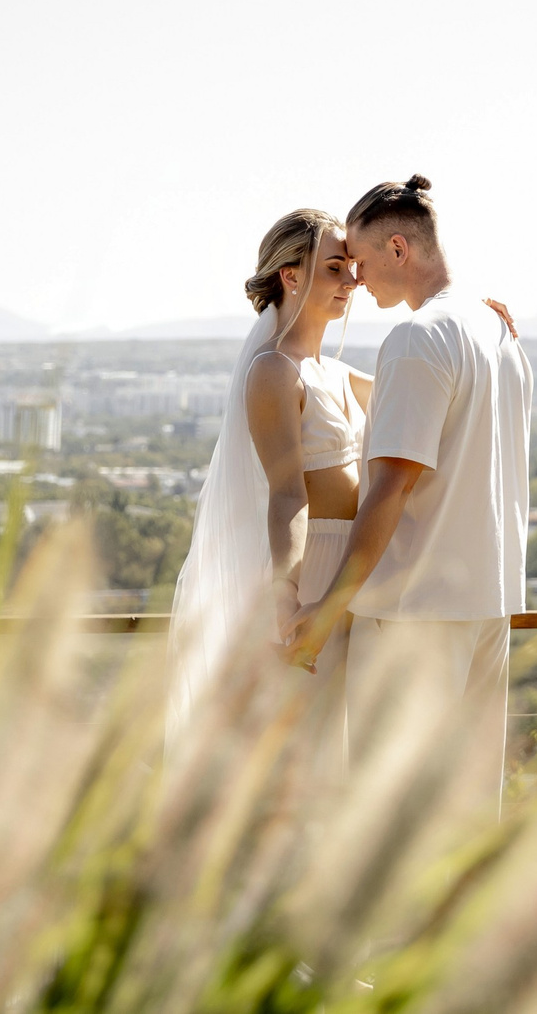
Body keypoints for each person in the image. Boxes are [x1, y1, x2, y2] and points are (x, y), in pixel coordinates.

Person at [284, 175, 532, 807]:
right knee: (473, 810)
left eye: (362, 263)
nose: (358, 281)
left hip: (413, 613)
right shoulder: (499, 334)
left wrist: (330, 605)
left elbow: (390, 488)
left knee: (385, 814)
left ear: (399, 249)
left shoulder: (419, 339)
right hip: (487, 603)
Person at [164, 208, 369, 763]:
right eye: (335, 267)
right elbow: (286, 493)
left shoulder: (337, 371)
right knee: (306, 752)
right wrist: (288, 589)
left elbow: (432, 390)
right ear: (291, 275)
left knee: (344, 746)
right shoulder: (274, 371)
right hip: (314, 567)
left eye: (351, 267)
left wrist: (479, 319)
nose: (352, 281)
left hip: (357, 569)